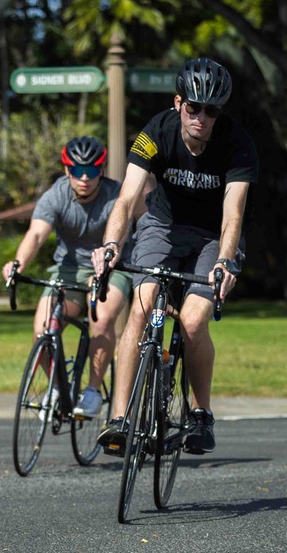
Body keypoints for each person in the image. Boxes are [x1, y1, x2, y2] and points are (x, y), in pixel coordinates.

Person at [92, 57, 259, 455]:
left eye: (211, 110)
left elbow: (232, 215)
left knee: (193, 320)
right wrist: (112, 244)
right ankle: (119, 419)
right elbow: (127, 198)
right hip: (162, 226)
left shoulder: (238, 145)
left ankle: (200, 414)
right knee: (142, 305)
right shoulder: (155, 132)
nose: (201, 117)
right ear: (178, 102)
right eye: (193, 107)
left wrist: (225, 261)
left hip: (211, 238)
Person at [2, 136, 133, 418]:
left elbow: (120, 239)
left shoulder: (116, 196)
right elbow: (36, 234)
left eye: (92, 171)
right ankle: (57, 386)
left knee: (102, 317)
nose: (84, 178)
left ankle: (92, 392)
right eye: (76, 170)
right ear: (66, 170)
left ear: (102, 170)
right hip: (70, 267)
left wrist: (107, 265)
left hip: (113, 267)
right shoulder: (56, 195)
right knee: (43, 328)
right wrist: (18, 262)